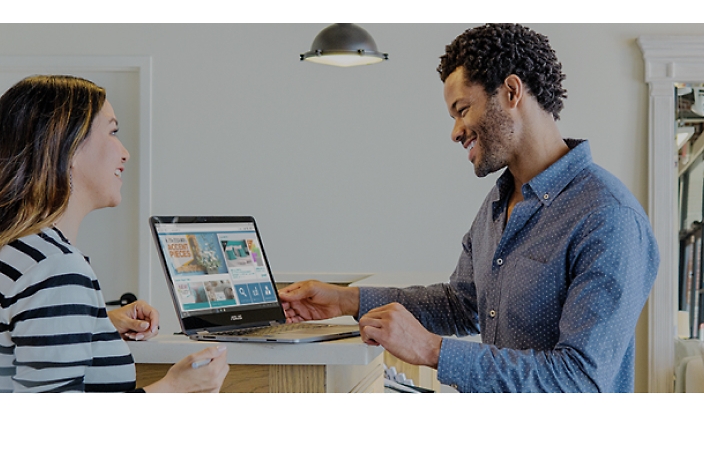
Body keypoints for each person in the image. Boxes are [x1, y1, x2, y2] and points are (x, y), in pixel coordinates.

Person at [279, 24, 659, 392]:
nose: (456, 131)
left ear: (511, 91)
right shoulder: (500, 200)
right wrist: (348, 300)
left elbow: (579, 380)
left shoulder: (608, 217)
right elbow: (461, 305)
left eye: (463, 109)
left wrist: (432, 350)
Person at [0, 75, 228, 393]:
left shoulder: (10, 252)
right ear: (67, 147)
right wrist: (174, 389)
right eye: (112, 132)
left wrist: (91, 322)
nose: (125, 153)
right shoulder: (54, 268)